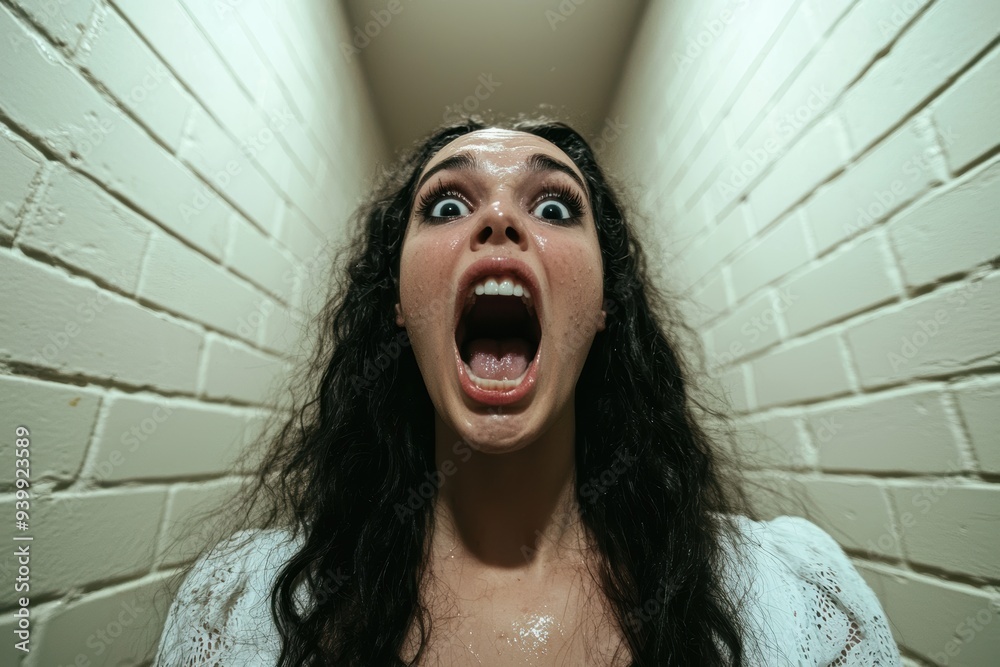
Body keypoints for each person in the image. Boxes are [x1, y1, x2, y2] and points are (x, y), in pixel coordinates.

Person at [153, 117, 901, 666]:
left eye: (553, 206)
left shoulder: (788, 597)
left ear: (607, 302)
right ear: (398, 302)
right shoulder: (244, 608)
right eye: (447, 205)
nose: (500, 218)